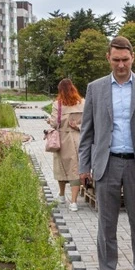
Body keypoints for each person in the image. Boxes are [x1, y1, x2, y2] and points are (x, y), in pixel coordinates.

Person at [78, 36, 135, 270]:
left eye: (125, 60)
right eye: (116, 60)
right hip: (107, 164)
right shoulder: (95, 88)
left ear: (133, 58)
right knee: (106, 224)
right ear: (108, 58)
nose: (121, 65)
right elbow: (87, 132)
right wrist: (84, 166)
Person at [48, 78, 85, 212]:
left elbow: (53, 123)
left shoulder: (57, 104)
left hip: (62, 139)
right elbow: (88, 122)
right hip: (77, 139)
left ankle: (62, 195)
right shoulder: (82, 103)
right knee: (75, 169)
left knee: (61, 167)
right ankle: (74, 202)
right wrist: (77, 126)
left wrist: (49, 121)